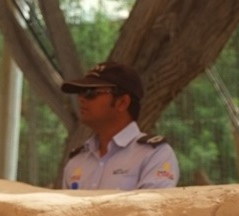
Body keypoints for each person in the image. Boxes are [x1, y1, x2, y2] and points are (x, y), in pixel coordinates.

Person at [61, 62, 180, 190]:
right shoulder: (77, 161)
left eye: (90, 92)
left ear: (122, 102)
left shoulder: (155, 154)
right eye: (80, 93)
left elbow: (151, 208)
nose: (81, 99)